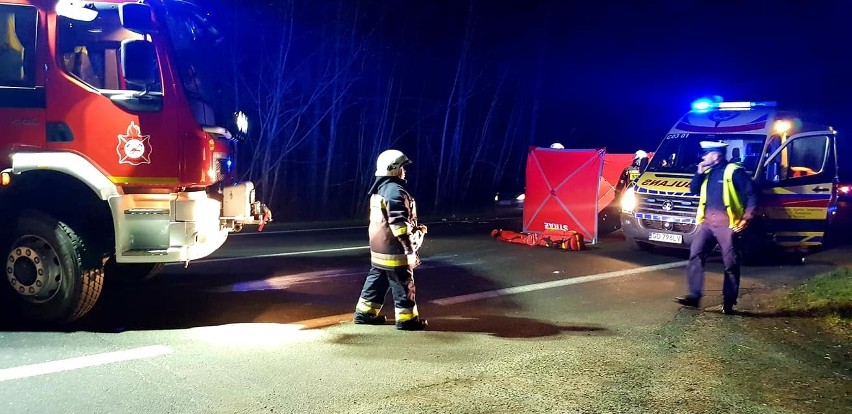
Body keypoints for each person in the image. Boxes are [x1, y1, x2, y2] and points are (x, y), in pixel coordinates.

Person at [675, 141, 757, 315]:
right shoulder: (707, 171)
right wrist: (698, 172)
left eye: (707, 153)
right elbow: (694, 190)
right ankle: (694, 296)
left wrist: (746, 219)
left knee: (730, 263)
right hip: (707, 224)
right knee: (695, 254)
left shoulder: (735, 171)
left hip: (727, 225)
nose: (703, 157)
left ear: (716, 155)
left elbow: (751, 195)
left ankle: (729, 302)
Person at [353, 149, 428, 331]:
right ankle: (407, 320)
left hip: (380, 248)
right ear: (394, 169)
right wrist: (409, 250)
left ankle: (365, 314)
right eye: (403, 167)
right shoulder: (394, 191)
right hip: (394, 250)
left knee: (377, 280)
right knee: (403, 283)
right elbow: (399, 225)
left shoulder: (380, 188)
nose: (405, 171)